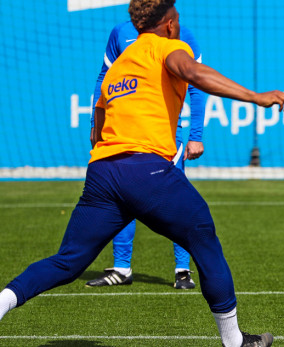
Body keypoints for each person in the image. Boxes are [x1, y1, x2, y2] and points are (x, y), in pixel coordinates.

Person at [0, 1, 284, 346]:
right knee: (204, 239)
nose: (180, 26)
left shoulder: (119, 64)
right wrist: (256, 97)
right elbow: (195, 75)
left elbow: (98, 121)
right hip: (146, 169)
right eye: (178, 21)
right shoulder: (169, 47)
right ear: (169, 24)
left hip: (103, 173)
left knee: (68, 262)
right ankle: (234, 341)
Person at [85, 20, 206, 290]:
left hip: (164, 137)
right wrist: (96, 123)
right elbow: (104, 77)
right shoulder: (120, 31)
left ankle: (182, 270)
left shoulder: (181, 33)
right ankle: (121, 268)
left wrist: (195, 135)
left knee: (177, 200)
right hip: (123, 136)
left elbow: (196, 86)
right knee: (121, 200)